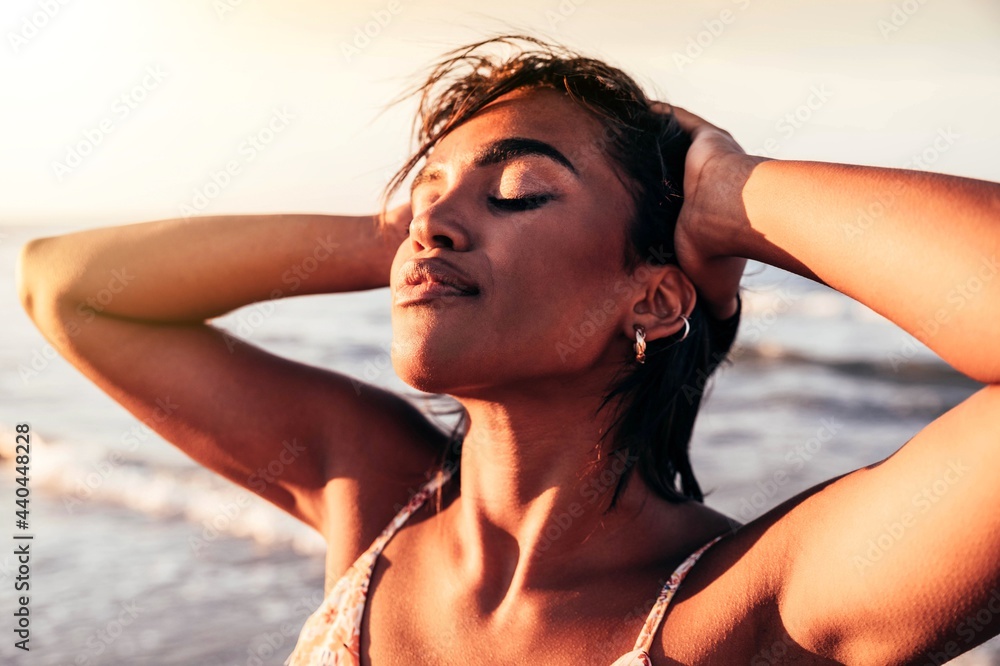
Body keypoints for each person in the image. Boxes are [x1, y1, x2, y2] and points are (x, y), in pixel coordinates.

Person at [17, 34, 1000, 664]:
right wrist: (399, 234)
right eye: (425, 190)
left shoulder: (745, 610)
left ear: (653, 298)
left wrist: (726, 193)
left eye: (519, 189)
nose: (433, 218)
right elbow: (68, 287)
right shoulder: (373, 497)